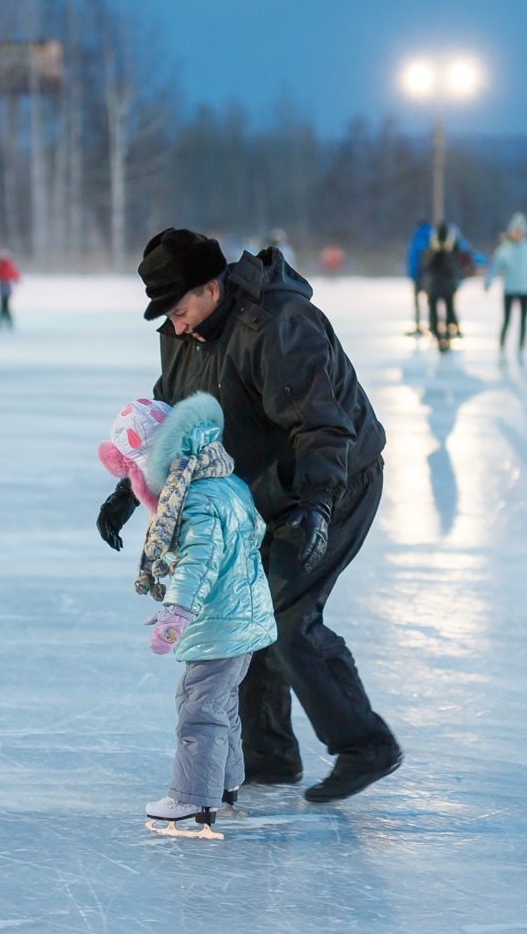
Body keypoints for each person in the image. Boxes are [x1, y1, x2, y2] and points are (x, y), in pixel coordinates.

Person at [98, 228, 401, 803]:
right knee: (243, 612)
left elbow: (323, 426)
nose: (176, 325)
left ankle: (365, 745)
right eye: (167, 314)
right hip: (259, 489)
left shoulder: (279, 326)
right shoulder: (181, 332)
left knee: (287, 616)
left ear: (211, 288)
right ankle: (269, 755)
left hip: (334, 478)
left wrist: (316, 505)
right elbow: (172, 413)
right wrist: (129, 485)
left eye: (180, 309)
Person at [97, 394, 276, 829]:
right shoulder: (224, 479)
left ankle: (194, 797)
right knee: (221, 704)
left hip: (220, 620)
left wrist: (175, 614)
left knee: (199, 708)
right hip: (240, 612)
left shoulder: (195, 498)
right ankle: (225, 783)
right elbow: (254, 531)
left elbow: (199, 559)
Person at [483, 212, 527, 360]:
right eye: (515, 231)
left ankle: (521, 347)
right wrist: (488, 281)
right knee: (507, 319)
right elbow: (495, 267)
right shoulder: (504, 250)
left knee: (523, 320)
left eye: (520, 232)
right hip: (509, 290)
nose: (517, 234)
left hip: (524, 291)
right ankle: (502, 346)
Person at [421, 221, 467, 353]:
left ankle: (447, 335)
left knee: (449, 311)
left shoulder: (452, 246)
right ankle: (438, 336)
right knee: (435, 313)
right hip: (436, 285)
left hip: (446, 285)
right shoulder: (431, 245)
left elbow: (455, 266)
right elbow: (427, 266)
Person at [404, 219, 432, 337]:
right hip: (429, 276)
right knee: (430, 302)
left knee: (418, 302)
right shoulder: (431, 236)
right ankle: (431, 324)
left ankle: (418, 325)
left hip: (420, 275)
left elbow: (414, 258)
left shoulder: (417, 238)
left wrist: (412, 273)